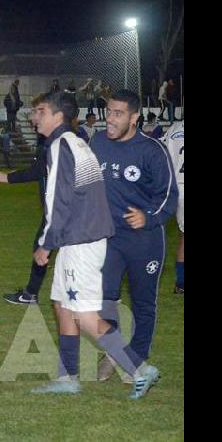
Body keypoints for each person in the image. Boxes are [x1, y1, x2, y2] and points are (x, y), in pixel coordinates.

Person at [23, 91, 161, 399]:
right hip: (83, 238)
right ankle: (67, 376)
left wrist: (46, 244)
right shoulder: (76, 142)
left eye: (41, 110)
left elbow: (58, 200)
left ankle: (139, 368)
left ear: (58, 115)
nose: (35, 117)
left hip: (81, 241)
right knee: (61, 304)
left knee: (85, 316)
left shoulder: (61, 145)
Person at [88, 90, 177, 387]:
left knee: (143, 302)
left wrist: (148, 217)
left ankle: (136, 360)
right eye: (108, 112)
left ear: (134, 117)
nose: (110, 119)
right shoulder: (97, 142)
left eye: (117, 114)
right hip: (108, 237)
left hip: (145, 240)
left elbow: (169, 196)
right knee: (103, 299)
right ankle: (114, 354)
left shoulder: (152, 150)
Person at [0, 94, 50, 306]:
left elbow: (38, 170)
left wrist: (8, 177)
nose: (32, 117)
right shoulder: (50, 139)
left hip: (63, 211)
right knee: (43, 248)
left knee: (43, 248)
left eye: (37, 112)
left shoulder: (58, 141)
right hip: (59, 210)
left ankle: (31, 294)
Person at [162, 120, 184, 293]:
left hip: (176, 187)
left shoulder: (174, 128)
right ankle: (181, 282)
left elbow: (163, 155)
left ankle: (181, 284)